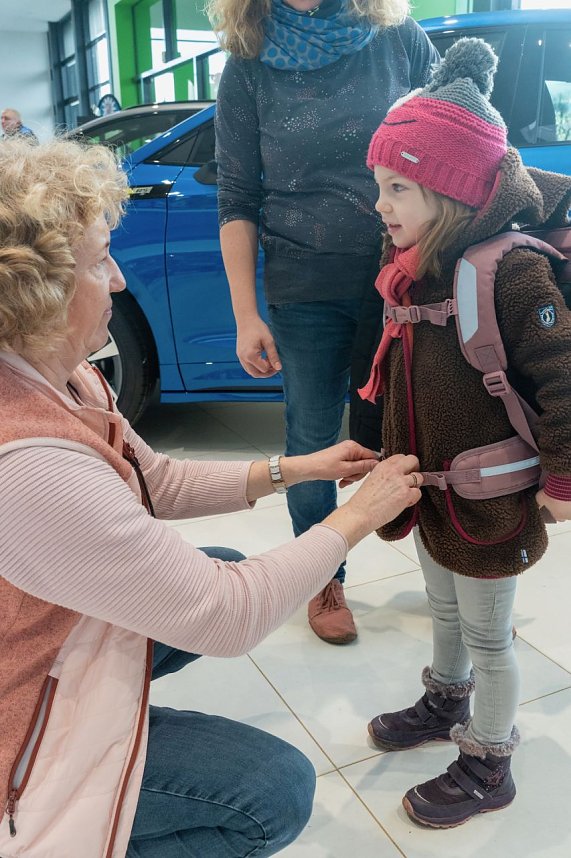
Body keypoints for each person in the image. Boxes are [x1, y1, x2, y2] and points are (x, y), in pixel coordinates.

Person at [0, 137, 422, 857]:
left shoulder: (67, 380)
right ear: (35, 288)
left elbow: (153, 481)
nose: (121, 281)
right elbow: (225, 619)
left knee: (220, 560)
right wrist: (355, 518)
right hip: (19, 702)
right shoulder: (29, 466)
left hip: (45, 630)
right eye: (101, 259)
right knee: (272, 789)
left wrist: (298, 467)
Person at [351, 38, 571, 828]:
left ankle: (489, 758)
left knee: (490, 637)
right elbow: (388, 366)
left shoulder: (509, 270)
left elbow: (561, 377)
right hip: (431, 487)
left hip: (491, 496)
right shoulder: (412, 265)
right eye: (377, 184)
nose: (380, 203)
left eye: (398, 185)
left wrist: (561, 478)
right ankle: (446, 704)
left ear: (452, 191)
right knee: (442, 612)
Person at [210, 0, 439, 644]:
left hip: (403, 276)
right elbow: (237, 194)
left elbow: (454, 143)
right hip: (303, 285)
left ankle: (443, 557)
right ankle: (321, 575)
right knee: (311, 437)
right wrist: (245, 313)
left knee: (414, 421)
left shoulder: (398, 38)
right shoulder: (249, 60)